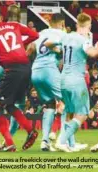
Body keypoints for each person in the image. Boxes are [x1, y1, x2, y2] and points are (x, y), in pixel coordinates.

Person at [45, 13, 98, 152]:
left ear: (76, 25)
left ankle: (68, 144)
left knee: (69, 112)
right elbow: (92, 53)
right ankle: (61, 141)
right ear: (89, 26)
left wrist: (59, 51)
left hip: (62, 80)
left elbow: (47, 43)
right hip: (76, 80)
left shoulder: (66, 36)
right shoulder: (83, 39)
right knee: (82, 114)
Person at [0, 5, 39, 152]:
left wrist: (2, 59)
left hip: (12, 69)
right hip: (26, 68)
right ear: (1, 17)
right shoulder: (13, 25)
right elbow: (35, 35)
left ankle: (10, 143)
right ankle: (29, 130)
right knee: (8, 104)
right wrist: (21, 45)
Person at [28, 13, 66, 151]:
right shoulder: (61, 34)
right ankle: (65, 141)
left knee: (50, 104)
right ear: (62, 23)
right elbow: (63, 55)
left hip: (35, 70)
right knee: (68, 103)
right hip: (49, 69)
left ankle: (45, 142)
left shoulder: (41, 33)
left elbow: (31, 48)